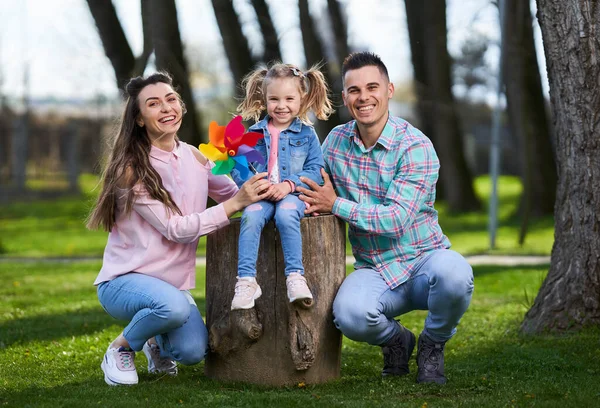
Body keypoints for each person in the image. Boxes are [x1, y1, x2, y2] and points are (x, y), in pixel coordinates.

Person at [297, 52, 474, 384]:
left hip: (424, 263)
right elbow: (312, 186)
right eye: (354, 90)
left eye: (372, 87)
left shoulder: (415, 147)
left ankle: (432, 345)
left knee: (456, 274)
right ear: (345, 98)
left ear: (389, 90)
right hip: (375, 268)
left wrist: (335, 204)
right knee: (349, 315)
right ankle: (397, 341)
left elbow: (395, 221)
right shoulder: (335, 143)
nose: (363, 97)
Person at [86, 72, 270, 386]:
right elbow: (177, 229)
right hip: (124, 281)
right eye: (153, 104)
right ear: (140, 119)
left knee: (191, 351)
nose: (166, 107)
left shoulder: (196, 157)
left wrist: (272, 194)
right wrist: (237, 203)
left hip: (171, 289)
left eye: (171, 99)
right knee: (169, 307)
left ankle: (156, 343)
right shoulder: (131, 169)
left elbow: (231, 193)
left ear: (181, 106)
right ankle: (121, 347)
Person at [229, 63, 333, 322]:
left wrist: (289, 185)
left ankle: (295, 277)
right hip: (263, 197)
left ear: (302, 99)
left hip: (292, 196)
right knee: (251, 216)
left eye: (289, 98)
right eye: (274, 99)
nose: (281, 105)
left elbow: (315, 167)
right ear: (264, 100)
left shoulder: (307, 135)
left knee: (287, 215)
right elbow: (239, 167)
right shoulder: (252, 134)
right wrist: (254, 184)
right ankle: (246, 280)